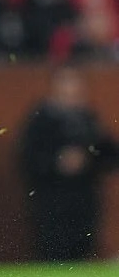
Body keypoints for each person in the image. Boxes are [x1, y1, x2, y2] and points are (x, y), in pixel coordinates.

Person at [18, 65, 119, 261]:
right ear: (54, 88)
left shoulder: (89, 120)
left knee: (83, 252)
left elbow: (110, 156)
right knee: (53, 253)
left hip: (84, 201)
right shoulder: (40, 121)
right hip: (51, 202)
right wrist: (57, 162)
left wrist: (87, 159)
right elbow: (27, 158)